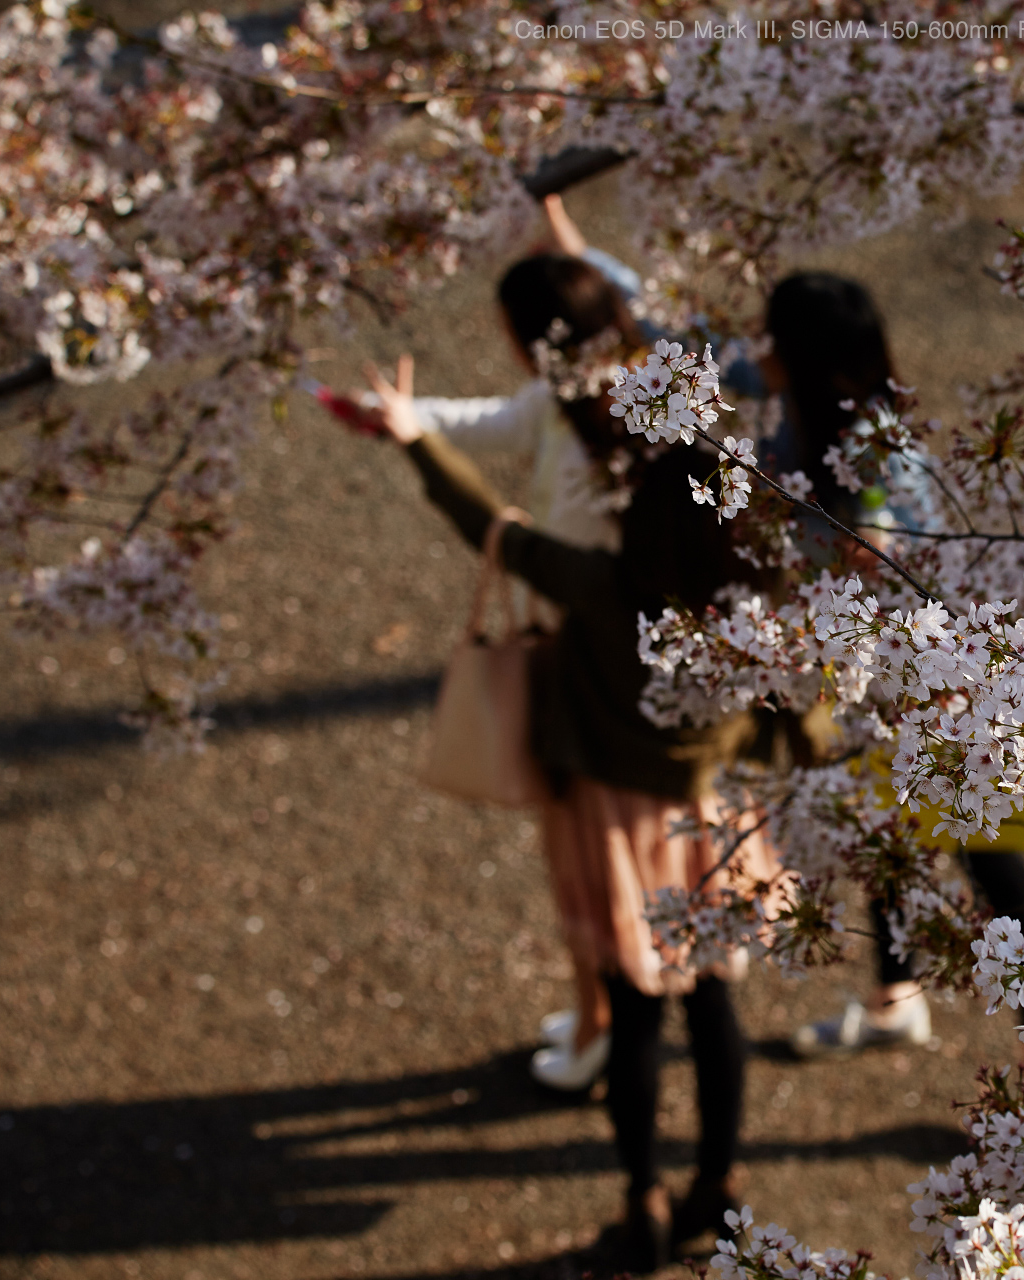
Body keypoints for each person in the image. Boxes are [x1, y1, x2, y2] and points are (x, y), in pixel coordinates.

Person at [364, 344, 788, 1267]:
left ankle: (641, 1191)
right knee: (714, 1011)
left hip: (605, 824)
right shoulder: (751, 615)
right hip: (702, 823)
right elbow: (805, 727)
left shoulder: (602, 591)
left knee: (633, 1013)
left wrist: (415, 437)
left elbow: (490, 527)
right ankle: (717, 1186)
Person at [759, 278, 1024, 1109]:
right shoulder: (798, 420)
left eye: (771, 339)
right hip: (862, 686)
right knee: (885, 841)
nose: (754, 352)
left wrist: (862, 553)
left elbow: (900, 548)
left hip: (930, 684)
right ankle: (895, 1000)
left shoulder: (873, 448)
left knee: (989, 858)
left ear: (804, 358)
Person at [399, 195, 650, 1094]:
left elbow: (557, 562)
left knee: (583, 860)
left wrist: (420, 445)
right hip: (589, 653)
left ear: (537, 337)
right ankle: (599, 1010)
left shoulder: (605, 439)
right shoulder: (594, 389)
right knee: (586, 856)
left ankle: (599, 1023)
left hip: (591, 666)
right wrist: (406, 413)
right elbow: (500, 421)